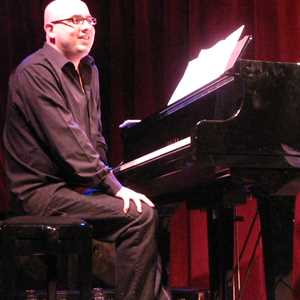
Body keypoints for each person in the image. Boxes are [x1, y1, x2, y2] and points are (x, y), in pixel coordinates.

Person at [3, 0, 170, 299]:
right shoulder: (34, 73)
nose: (84, 27)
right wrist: (112, 186)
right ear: (50, 30)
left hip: (77, 187)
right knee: (138, 216)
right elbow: (69, 144)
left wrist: (114, 179)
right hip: (41, 192)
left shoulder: (89, 69)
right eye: (74, 20)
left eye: (89, 20)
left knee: (152, 206)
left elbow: (94, 139)